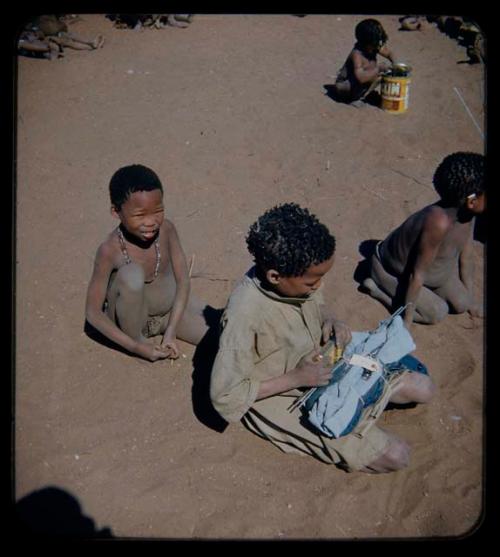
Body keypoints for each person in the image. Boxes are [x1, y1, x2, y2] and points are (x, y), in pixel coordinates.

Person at [210, 203, 435, 473]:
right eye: (311, 283)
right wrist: (297, 378)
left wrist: (330, 319)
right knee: (398, 456)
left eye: (321, 279)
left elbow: (317, 301)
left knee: (424, 388)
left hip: (321, 360)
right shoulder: (244, 315)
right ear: (274, 276)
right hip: (282, 392)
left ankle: (360, 407)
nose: (317, 286)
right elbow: (225, 396)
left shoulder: (294, 271)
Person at [85, 164, 210, 362]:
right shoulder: (109, 250)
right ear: (116, 212)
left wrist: (171, 331)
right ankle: (139, 338)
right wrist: (136, 347)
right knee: (131, 274)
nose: (151, 222)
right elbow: (93, 313)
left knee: (222, 335)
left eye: (158, 211)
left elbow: (183, 281)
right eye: (139, 215)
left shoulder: (167, 230)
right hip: (134, 327)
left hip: (170, 315)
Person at [362, 152, 485, 328]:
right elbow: (416, 275)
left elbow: (467, 256)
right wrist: (407, 320)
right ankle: (377, 289)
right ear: (471, 201)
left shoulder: (468, 215)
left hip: (434, 275)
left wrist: (471, 301)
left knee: (462, 303)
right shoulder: (438, 223)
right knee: (436, 312)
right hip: (392, 272)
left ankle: (455, 300)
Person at [332, 18, 395, 104]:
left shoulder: (373, 47)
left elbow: (388, 53)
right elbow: (360, 78)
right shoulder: (357, 55)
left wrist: (396, 63)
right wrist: (378, 68)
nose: (378, 45)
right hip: (347, 86)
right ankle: (355, 98)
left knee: (385, 76)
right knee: (372, 75)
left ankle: (364, 94)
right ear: (367, 42)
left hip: (363, 81)